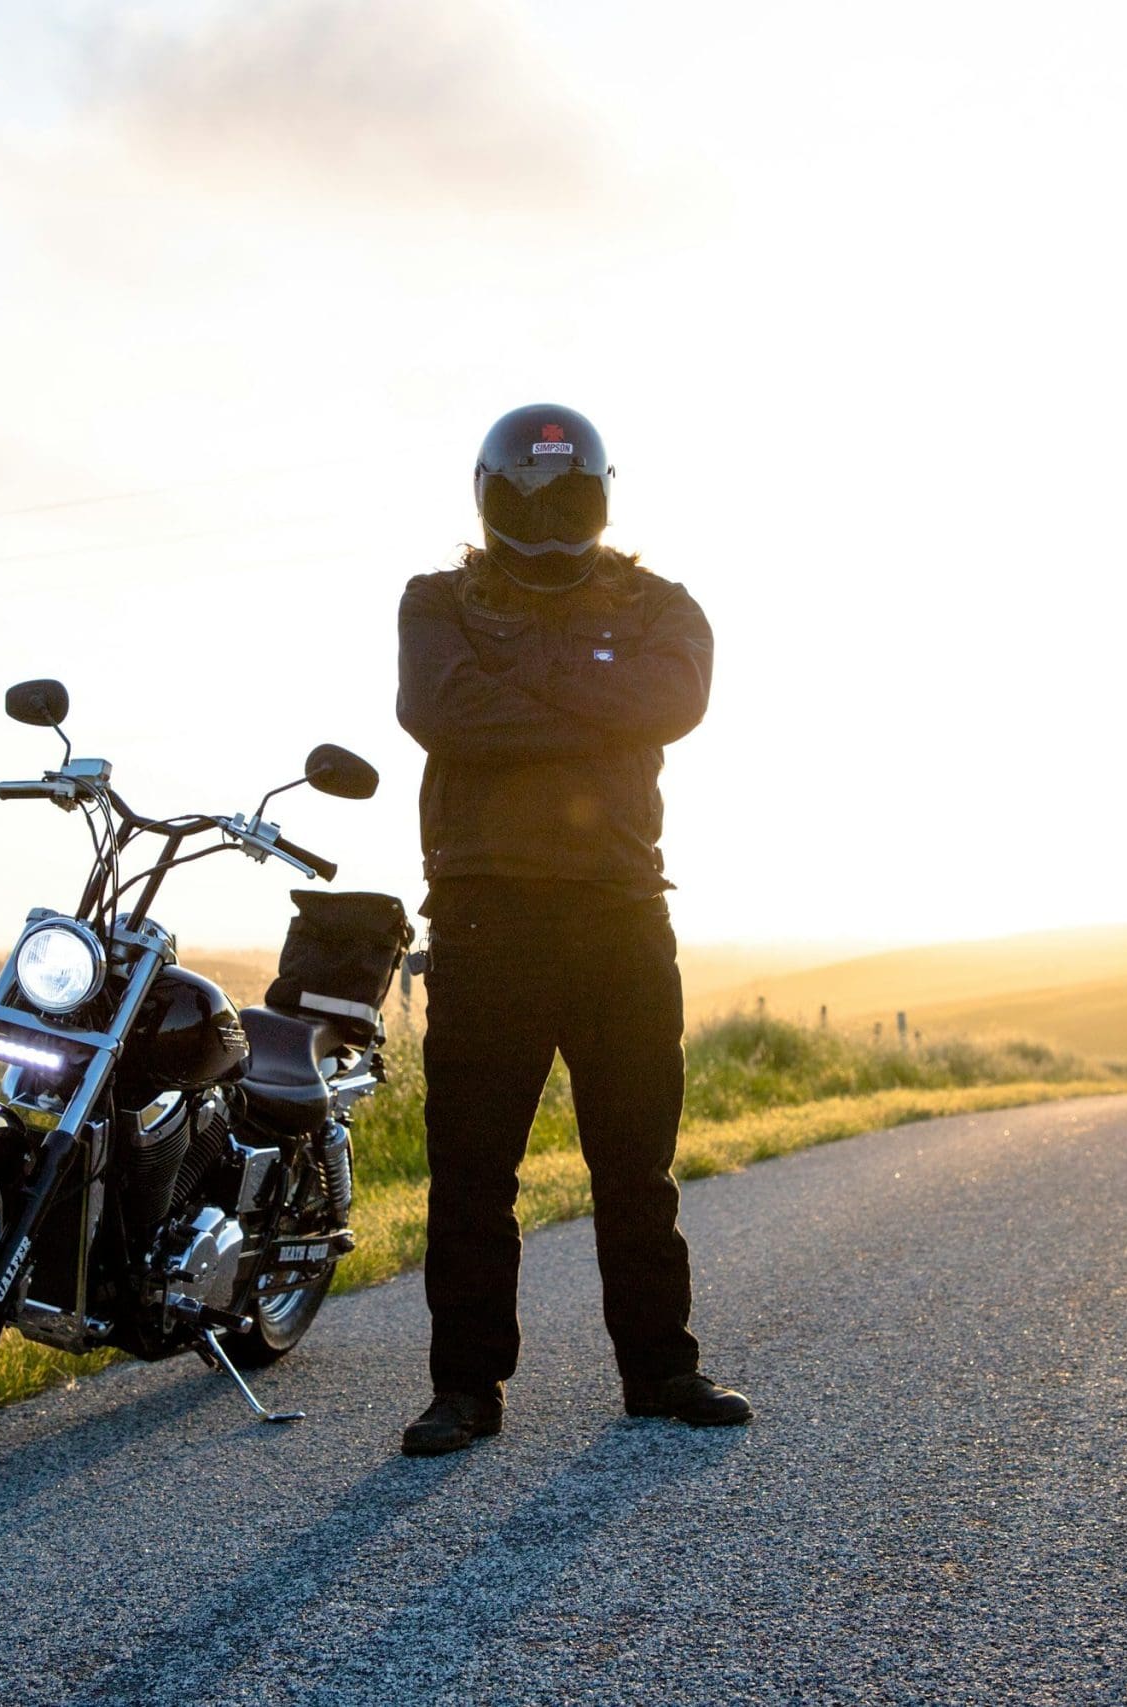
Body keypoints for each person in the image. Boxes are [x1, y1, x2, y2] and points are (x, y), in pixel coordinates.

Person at [393, 402, 752, 1457]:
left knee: (634, 1166)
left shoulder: (662, 604)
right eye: (526, 495)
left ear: (599, 493)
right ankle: (464, 1391)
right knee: (471, 1172)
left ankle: (662, 1372)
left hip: (618, 918)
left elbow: (672, 700)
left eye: (568, 494)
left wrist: (521, 695)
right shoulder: (433, 601)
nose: (547, 515)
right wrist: (599, 696)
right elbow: (441, 711)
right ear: (490, 494)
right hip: (483, 915)